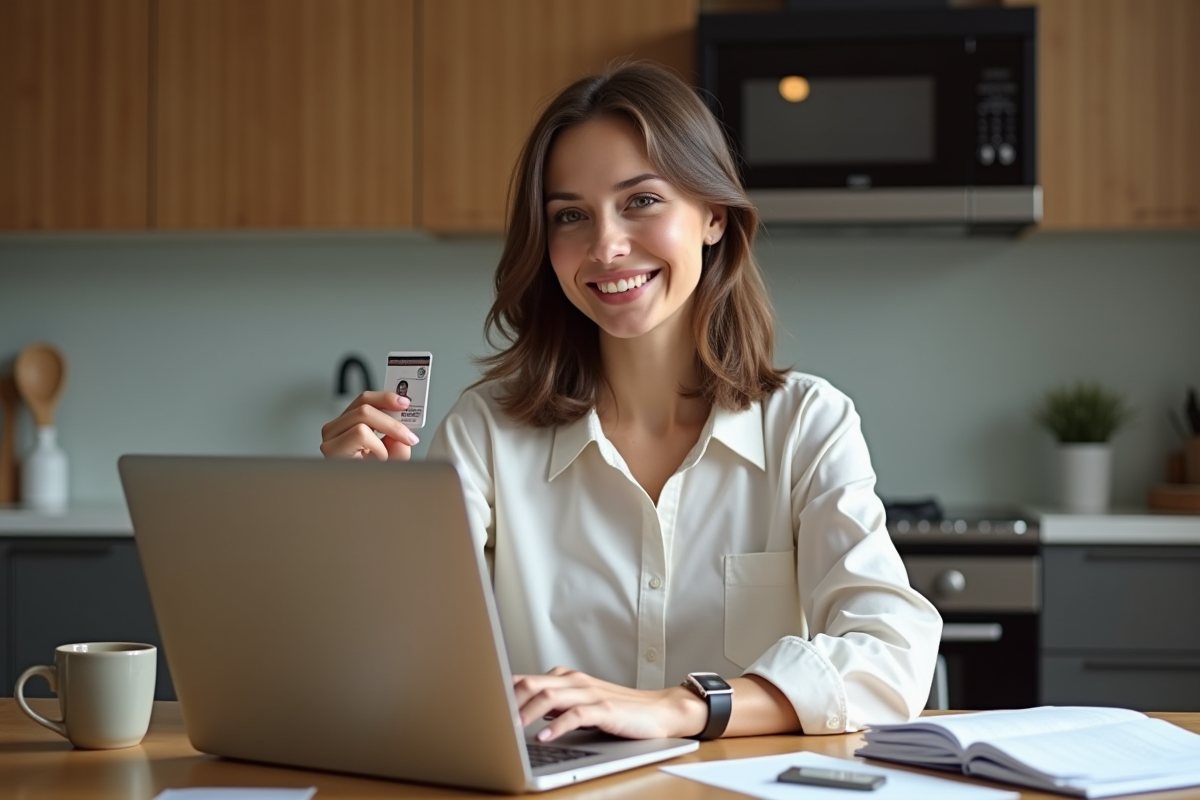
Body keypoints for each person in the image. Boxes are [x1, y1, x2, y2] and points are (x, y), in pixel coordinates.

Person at [320, 62, 941, 742]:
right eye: (570, 216)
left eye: (641, 201)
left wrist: (683, 706)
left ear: (712, 216)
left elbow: (892, 652)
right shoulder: (486, 430)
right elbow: (403, 664)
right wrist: (364, 519)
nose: (606, 247)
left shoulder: (809, 424)